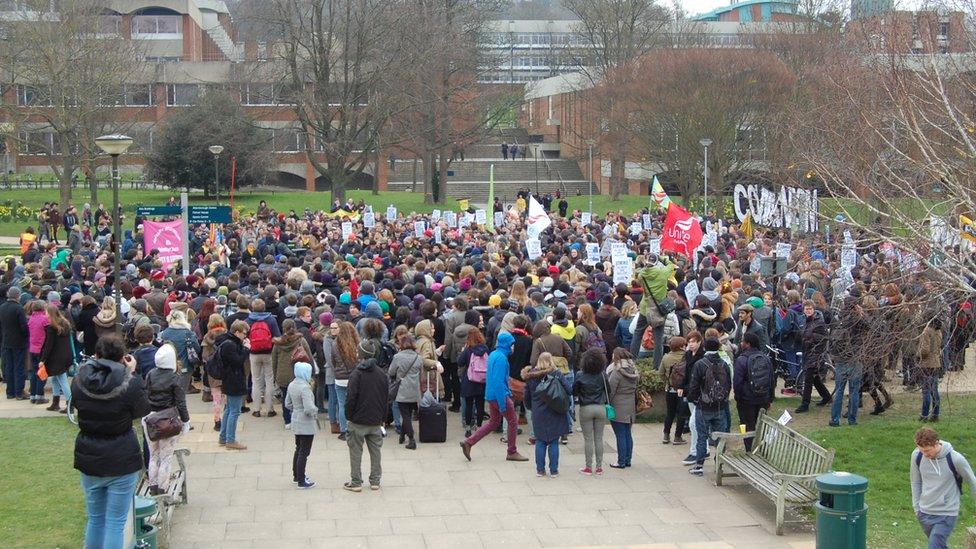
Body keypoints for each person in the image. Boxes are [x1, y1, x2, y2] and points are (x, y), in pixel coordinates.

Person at [71, 336, 151, 549]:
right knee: (115, 522)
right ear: (121, 358)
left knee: (96, 518)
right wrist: (132, 373)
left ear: (97, 356)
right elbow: (143, 409)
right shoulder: (130, 382)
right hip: (120, 457)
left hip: (91, 455)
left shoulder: (78, 380)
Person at [459, 332, 528, 462]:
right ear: (507, 345)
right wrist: (503, 403)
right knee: (513, 421)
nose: (513, 347)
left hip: (491, 394)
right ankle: (512, 451)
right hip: (499, 395)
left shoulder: (494, 354)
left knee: (493, 422)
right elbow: (498, 381)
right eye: (512, 345)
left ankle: (469, 442)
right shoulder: (502, 358)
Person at [911, 427, 976, 549]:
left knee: (934, 546)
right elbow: (915, 482)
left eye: (928, 451)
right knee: (939, 546)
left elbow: (972, 481)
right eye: (922, 450)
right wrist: (916, 508)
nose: (925, 454)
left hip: (946, 513)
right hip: (924, 512)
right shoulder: (916, 456)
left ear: (936, 444)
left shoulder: (955, 458)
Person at [143, 343, 190, 496]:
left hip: (150, 418)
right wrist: (185, 421)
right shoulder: (175, 378)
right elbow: (181, 403)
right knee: (166, 457)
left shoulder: (150, 374)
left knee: (153, 454)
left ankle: (153, 486)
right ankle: (163, 490)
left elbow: (146, 393)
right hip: (167, 420)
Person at [343, 338, 388, 492]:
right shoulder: (382, 374)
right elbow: (385, 398)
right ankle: (375, 481)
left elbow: (350, 398)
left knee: (355, 451)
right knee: (376, 452)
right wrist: (383, 419)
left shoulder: (357, 374)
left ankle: (356, 482)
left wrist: (349, 416)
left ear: (360, 354)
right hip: (375, 420)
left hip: (358, 420)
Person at [521, 352, 572, 477]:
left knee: (540, 441)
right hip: (555, 410)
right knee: (554, 441)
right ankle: (554, 470)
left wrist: (530, 407)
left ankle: (540, 470)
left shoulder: (531, 376)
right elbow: (569, 390)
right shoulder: (557, 374)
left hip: (538, 412)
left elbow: (526, 396)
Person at [687, 337, 731, 477]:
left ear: (705, 347)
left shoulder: (700, 364)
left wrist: (693, 399)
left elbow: (694, 386)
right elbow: (728, 384)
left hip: (703, 406)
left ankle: (699, 466)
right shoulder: (724, 364)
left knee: (702, 437)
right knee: (720, 437)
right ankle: (719, 463)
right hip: (720, 406)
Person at [829, 297, 868, 427]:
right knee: (854, 391)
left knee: (839, 390)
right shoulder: (857, 320)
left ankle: (835, 419)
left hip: (840, 359)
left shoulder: (837, 318)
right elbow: (870, 326)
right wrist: (861, 313)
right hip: (855, 358)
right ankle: (852, 419)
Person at [633, 253, 675, 370]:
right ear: (656, 263)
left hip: (645, 308)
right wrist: (662, 257)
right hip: (658, 310)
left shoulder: (641, 275)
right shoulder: (662, 273)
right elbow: (671, 265)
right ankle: (656, 367)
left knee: (638, 334)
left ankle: (632, 361)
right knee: (658, 339)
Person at [732, 333, 772, 451]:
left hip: (746, 399)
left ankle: (749, 449)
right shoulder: (765, 358)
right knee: (761, 425)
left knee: (746, 425)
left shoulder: (741, 360)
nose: (741, 343)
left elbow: (737, 382)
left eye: (743, 341)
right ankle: (762, 448)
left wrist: (738, 397)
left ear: (747, 344)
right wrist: (770, 398)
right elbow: (771, 379)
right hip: (763, 397)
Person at [573, 348, 609, 475]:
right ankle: (599, 467)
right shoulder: (603, 375)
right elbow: (608, 390)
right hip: (600, 407)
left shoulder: (580, 375)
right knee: (599, 438)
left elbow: (574, 392)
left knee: (588, 439)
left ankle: (588, 467)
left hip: (586, 408)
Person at [272, 319, 313, 429]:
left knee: (286, 397)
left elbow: (274, 360)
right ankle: (299, 419)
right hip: (299, 374)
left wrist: (275, 375)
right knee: (299, 398)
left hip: (282, 374)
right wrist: (312, 371)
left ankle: (287, 421)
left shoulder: (277, 343)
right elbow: (309, 356)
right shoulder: (301, 341)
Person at [216, 320, 251, 450]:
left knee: (228, 409)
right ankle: (230, 439)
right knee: (234, 411)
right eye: (244, 333)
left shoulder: (228, 342)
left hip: (229, 379)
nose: (245, 336)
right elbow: (238, 361)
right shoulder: (230, 345)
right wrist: (246, 349)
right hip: (234, 380)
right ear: (237, 332)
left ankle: (223, 437)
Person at [285, 361, 318, 488]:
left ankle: (296, 475)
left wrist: (296, 409)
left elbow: (287, 403)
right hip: (306, 423)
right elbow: (309, 408)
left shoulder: (292, 384)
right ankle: (301, 480)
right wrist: (315, 410)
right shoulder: (305, 387)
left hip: (296, 420)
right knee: (304, 451)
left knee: (298, 449)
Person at [246, 299, 281, 417]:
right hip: (268, 353)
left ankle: (256, 409)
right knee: (269, 380)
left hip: (254, 353)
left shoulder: (248, 320)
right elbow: (277, 336)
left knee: (255, 380)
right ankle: (270, 409)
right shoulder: (271, 319)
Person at [795, 299, 832, 413]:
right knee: (815, 378)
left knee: (808, 379)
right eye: (807, 309)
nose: (809, 311)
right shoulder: (804, 321)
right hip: (807, 352)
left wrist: (811, 340)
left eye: (810, 308)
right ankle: (826, 396)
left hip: (816, 354)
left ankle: (805, 403)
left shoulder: (819, 322)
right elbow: (802, 335)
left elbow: (824, 338)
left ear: (814, 309)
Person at [389, 333, 423, 449]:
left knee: (405, 415)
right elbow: (421, 376)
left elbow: (391, 372)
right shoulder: (418, 358)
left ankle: (412, 439)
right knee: (407, 414)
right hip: (414, 390)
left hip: (402, 389)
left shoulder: (397, 357)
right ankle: (402, 436)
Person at [607, 348, 638, 468]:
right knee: (627, 434)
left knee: (620, 434)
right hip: (630, 406)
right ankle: (628, 459)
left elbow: (611, 390)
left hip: (618, 406)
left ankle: (621, 462)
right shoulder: (633, 369)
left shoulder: (616, 372)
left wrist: (607, 403)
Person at [39, 304, 73, 413]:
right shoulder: (65, 324)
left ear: (49, 314)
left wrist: (42, 360)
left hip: (56, 358)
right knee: (55, 379)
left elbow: (48, 346)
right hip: (66, 355)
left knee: (62, 380)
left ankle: (70, 405)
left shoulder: (52, 328)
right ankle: (55, 402)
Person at [330, 321, 361, 440]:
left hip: (340, 378)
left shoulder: (334, 344)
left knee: (342, 405)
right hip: (354, 378)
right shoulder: (357, 344)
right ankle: (356, 429)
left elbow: (333, 361)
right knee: (356, 404)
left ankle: (344, 430)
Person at [457, 327, 489, 437]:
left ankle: (468, 428)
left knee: (469, 405)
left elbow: (460, 363)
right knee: (480, 405)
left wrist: (462, 352)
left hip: (469, 380)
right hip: (482, 380)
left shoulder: (468, 350)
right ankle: (479, 427)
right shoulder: (485, 349)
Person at [0, 286, 29, 400]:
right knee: (19, 367)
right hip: (18, 342)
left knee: (9, 366)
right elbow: (24, 327)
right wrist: (27, 336)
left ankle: (10, 392)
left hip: (6, 340)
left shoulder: (2, 307)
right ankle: (19, 392)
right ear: (18, 295)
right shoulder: (18, 308)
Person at [661, 336, 688, 445]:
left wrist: (667, 381)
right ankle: (678, 436)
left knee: (670, 413)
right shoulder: (686, 357)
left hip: (670, 389)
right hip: (682, 390)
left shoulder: (666, 358)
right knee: (681, 414)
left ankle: (666, 435)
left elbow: (660, 373)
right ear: (682, 346)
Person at [918, 317, 944, 422]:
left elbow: (925, 350)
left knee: (926, 391)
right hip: (936, 363)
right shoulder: (939, 332)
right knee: (935, 390)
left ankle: (924, 415)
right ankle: (935, 414)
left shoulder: (927, 331)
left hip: (927, 364)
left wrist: (918, 355)